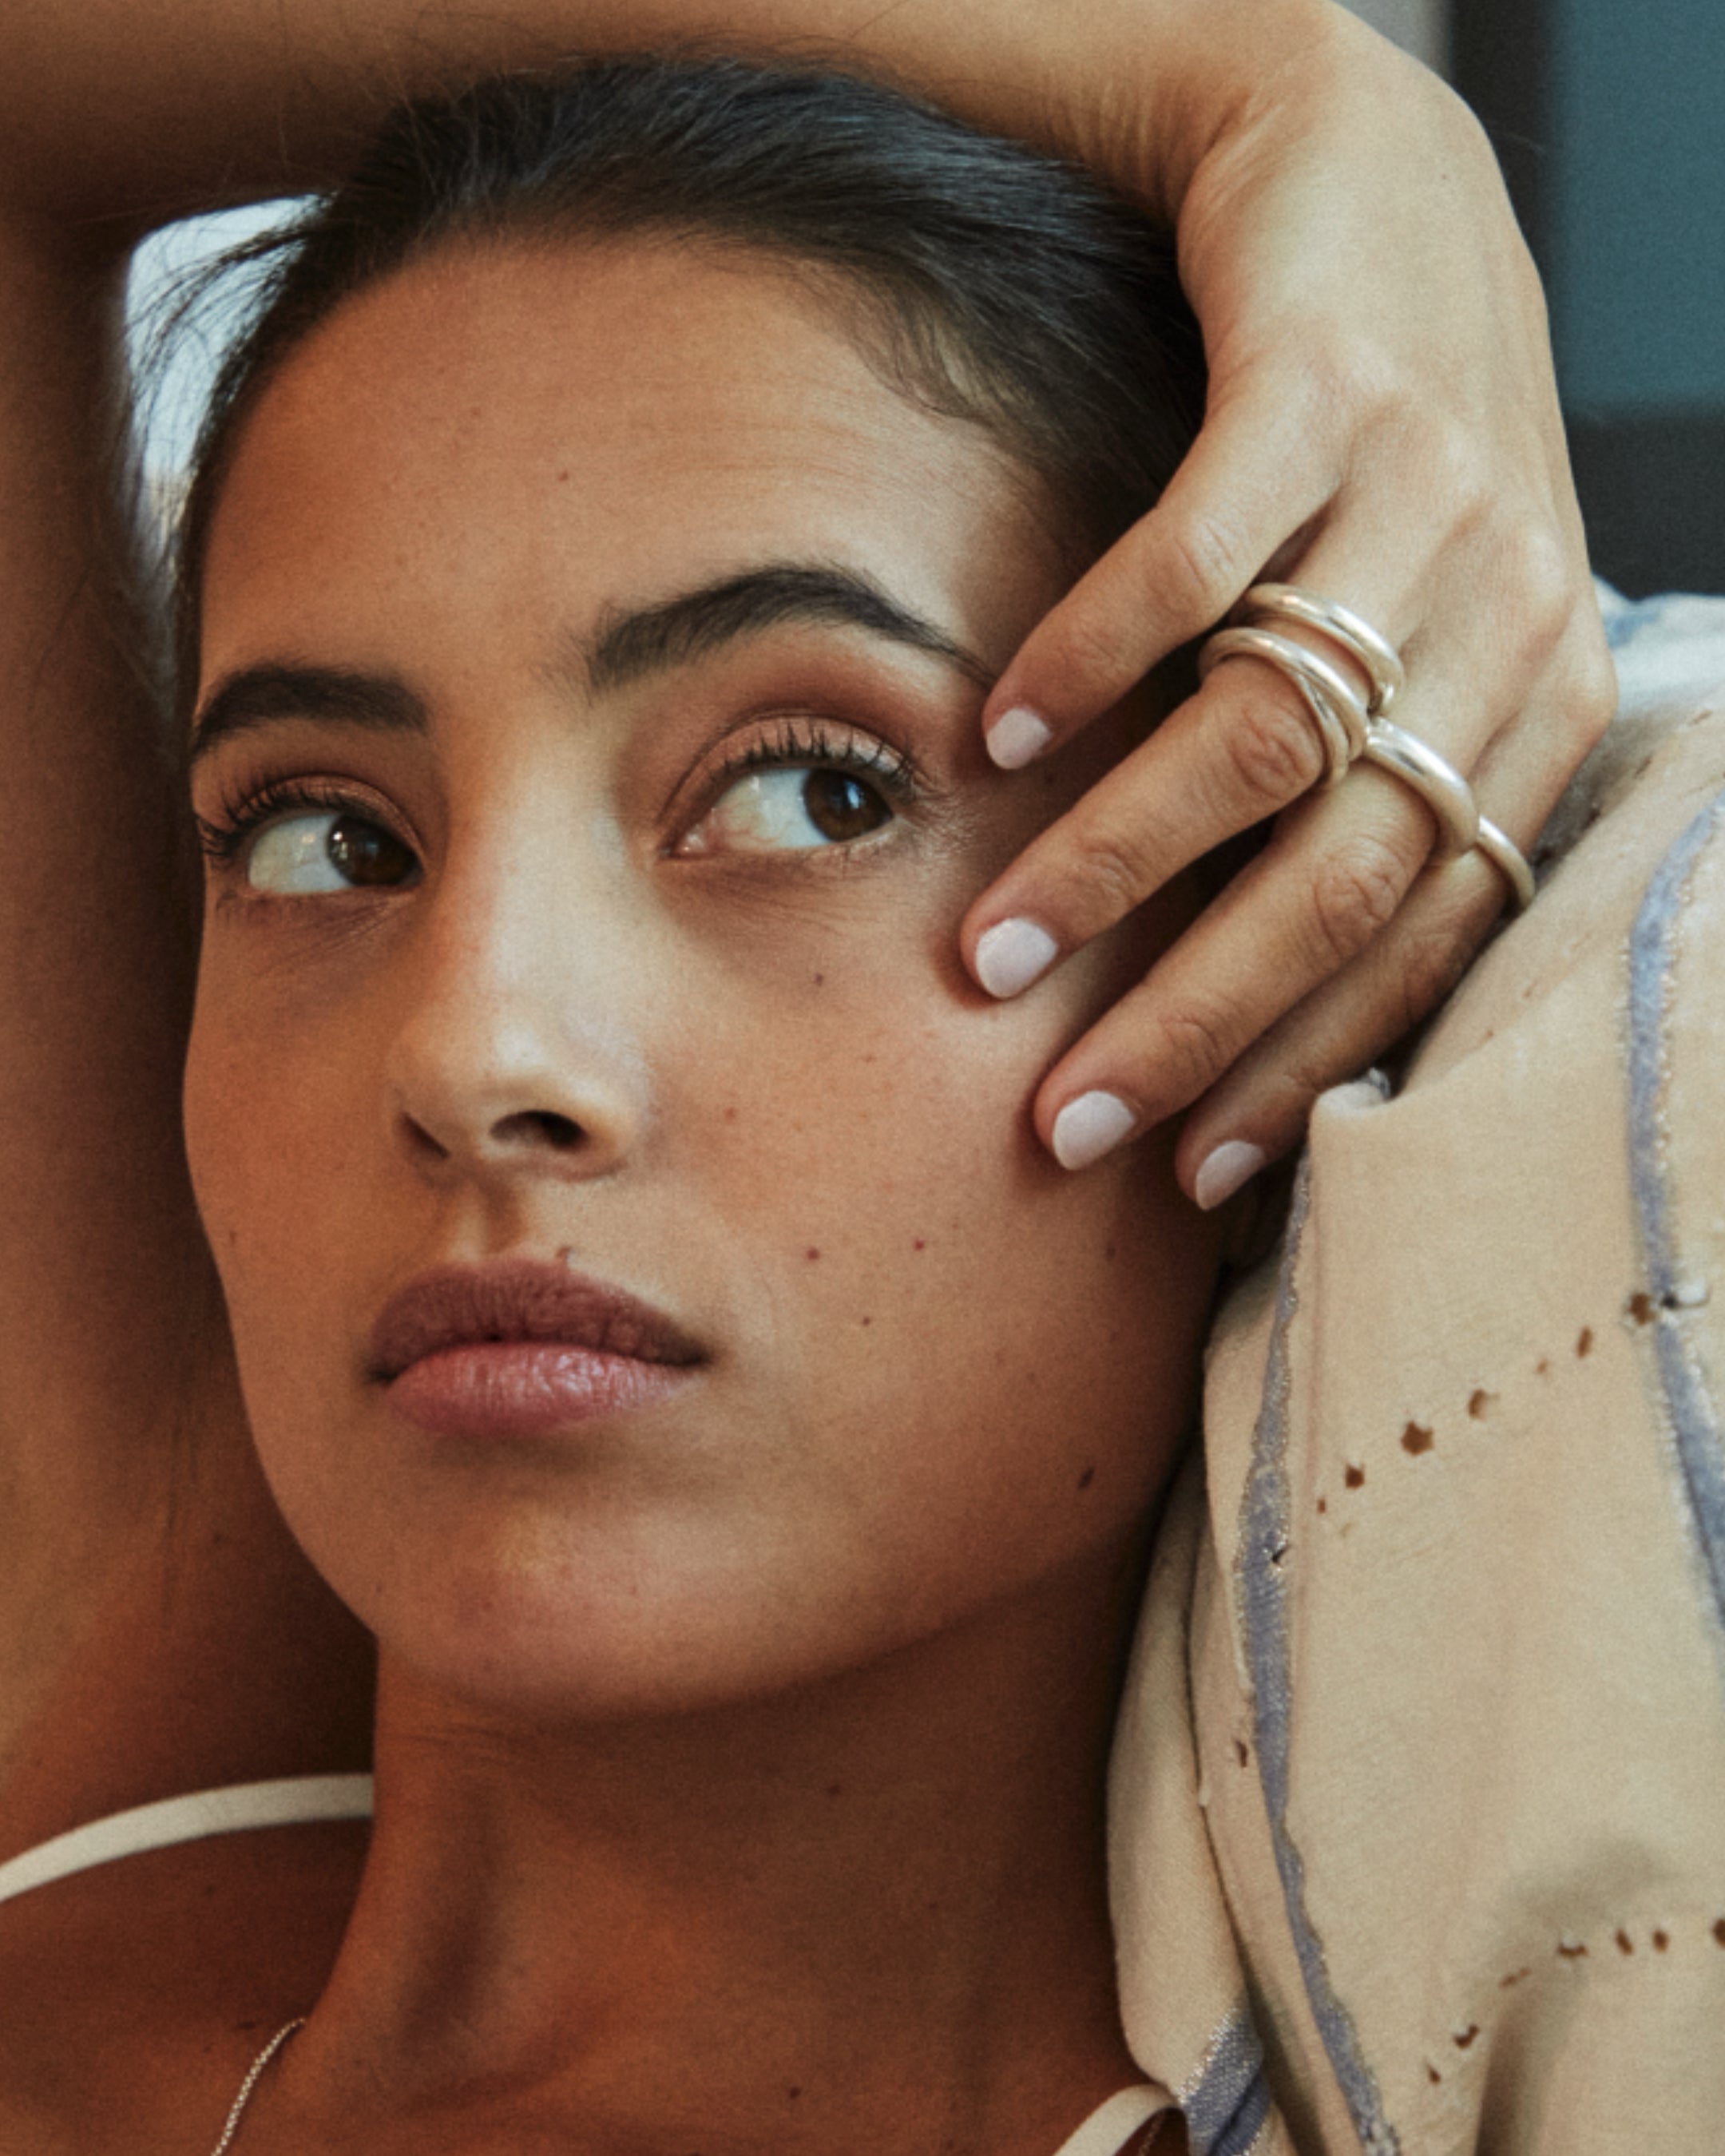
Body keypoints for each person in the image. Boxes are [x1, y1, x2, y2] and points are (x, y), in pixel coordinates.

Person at [0, 6, 1624, 2153]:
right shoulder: (125, 1718)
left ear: (1289, 910)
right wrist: (1268, 87)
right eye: (328, 837)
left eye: (810, 792)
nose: (479, 1049)